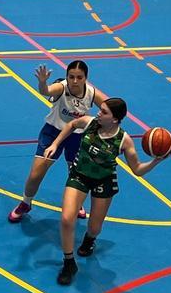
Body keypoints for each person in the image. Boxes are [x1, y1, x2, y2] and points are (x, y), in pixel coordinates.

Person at [43, 98, 167, 285]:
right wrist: (55, 144)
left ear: (115, 119)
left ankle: (90, 239)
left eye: (104, 112)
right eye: (100, 109)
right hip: (79, 175)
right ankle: (69, 263)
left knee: (95, 227)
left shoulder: (124, 140)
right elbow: (71, 124)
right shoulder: (89, 122)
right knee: (67, 219)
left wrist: (156, 161)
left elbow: (137, 170)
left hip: (103, 180)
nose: (99, 113)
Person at [8, 61, 107, 223]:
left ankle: (77, 204)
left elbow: (110, 106)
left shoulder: (91, 93)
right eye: (71, 77)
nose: (75, 81)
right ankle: (26, 203)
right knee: (35, 174)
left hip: (77, 137)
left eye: (79, 77)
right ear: (67, 77)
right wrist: (42, 82)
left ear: (86, 78)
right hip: (53, 133)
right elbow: (46, 91)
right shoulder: (62, 87)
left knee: (76, 176)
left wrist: (100, 122)